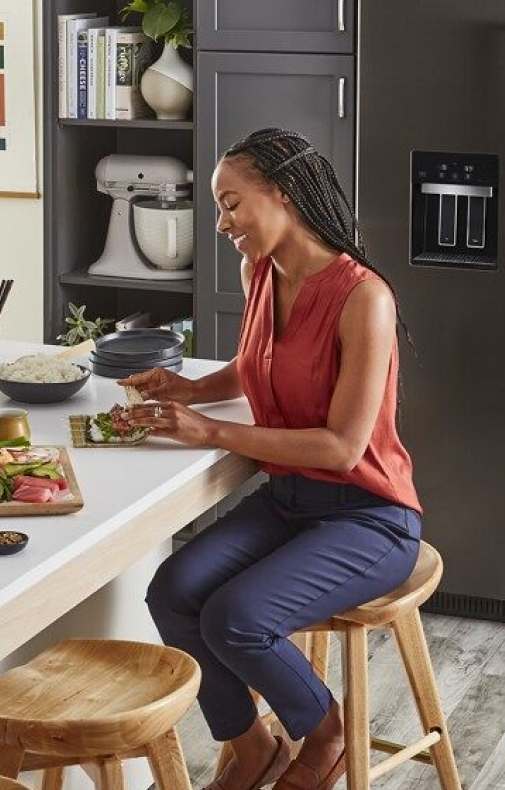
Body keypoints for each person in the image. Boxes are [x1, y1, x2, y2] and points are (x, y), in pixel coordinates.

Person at [119, 128, 422, 790]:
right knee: (172, 593)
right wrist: (195, 389)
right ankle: (254, 747)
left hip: (369, 517)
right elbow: (262, 363)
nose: (222, 224)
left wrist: (211, 432)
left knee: (237, 617)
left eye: (231, 205)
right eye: (217, 209)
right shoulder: (259, 272)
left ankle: (329, 730)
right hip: (289, 502)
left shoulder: (363, 297)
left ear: (281, 195)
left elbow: (342, 446)